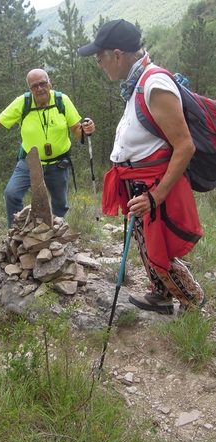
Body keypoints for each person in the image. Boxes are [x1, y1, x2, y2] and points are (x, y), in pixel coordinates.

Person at [78, 19, 205, 315]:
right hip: (138, 184)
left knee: (159, 247)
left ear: (118, 55)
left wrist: (156, 196)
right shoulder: (136, 82)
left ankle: (193, 301)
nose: (99, 64)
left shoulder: (154, 83)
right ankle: (160, 294)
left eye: (101, 58)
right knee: (145, 241)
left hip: (153, 187)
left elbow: (185, 145)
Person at [0, 69, 95, 227]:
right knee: (11, 194)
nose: (40, 89)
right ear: (29, 89)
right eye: (34, 86)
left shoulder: (62, 101)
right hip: (29, 161)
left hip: (58, 162)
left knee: (60, 203)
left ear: (49, 83)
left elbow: (76, 129)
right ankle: (16, 231)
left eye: (43, 83)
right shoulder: (22, 103)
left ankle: (54, 233)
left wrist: (85, 131)